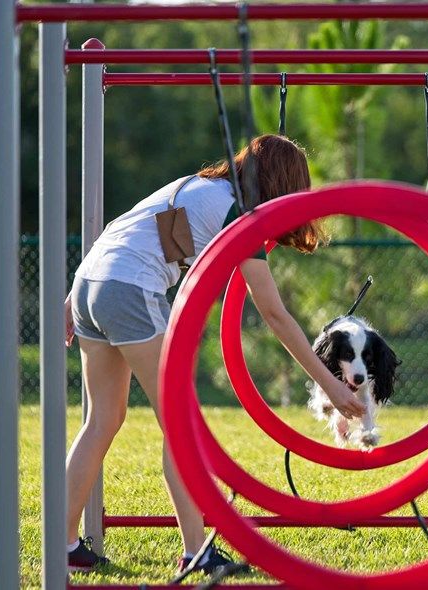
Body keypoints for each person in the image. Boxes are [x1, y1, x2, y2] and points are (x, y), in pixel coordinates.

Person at [63, 134, 365, 575]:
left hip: (91, 283)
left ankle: (65, 544)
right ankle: (195, 551)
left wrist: (74, 296)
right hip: (128, 289)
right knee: (181, 425)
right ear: (284, 186)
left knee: (103, 419)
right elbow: (275, 316)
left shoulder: (198, 186)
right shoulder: (238, 215)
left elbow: (123, 226)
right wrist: (330, 385)